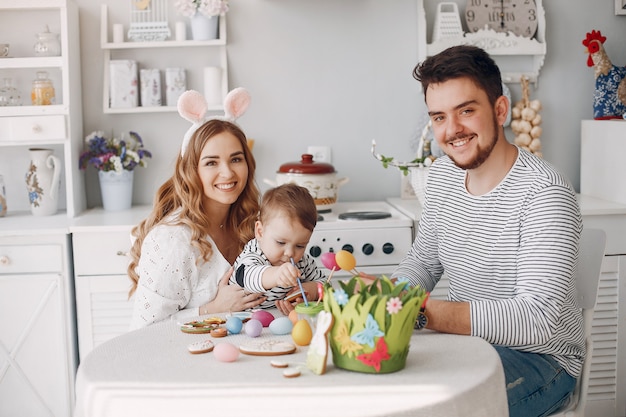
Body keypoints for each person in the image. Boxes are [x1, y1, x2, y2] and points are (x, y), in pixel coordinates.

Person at [392, 45, 584, 417]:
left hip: (542, 361)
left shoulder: (545, 193)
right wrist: (392, 298)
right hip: (471, 344)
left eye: (466, 110)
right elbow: (424, 262)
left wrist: (418, 312)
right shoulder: (443, 177)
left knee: (429, 409)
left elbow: (537, 321)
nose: (453, 130)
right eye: (439, 117)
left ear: (499, 110)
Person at [128, 88, 266, 329]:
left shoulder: (250, 223)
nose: (228, 173)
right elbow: (144, 331)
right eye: (211, 162)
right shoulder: (173, 240)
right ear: (192, 171)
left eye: (236, 159)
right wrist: (212, 309)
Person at [230, 183, 326, 315]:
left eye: (300, 246)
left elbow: (325, 284)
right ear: (260, 232)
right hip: (243, 318)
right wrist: (277, 275)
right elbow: (247, 277)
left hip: (277, 320)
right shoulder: (254, 253)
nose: (290, 253)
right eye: (281, 242)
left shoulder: (302, 262)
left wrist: (311, 290)